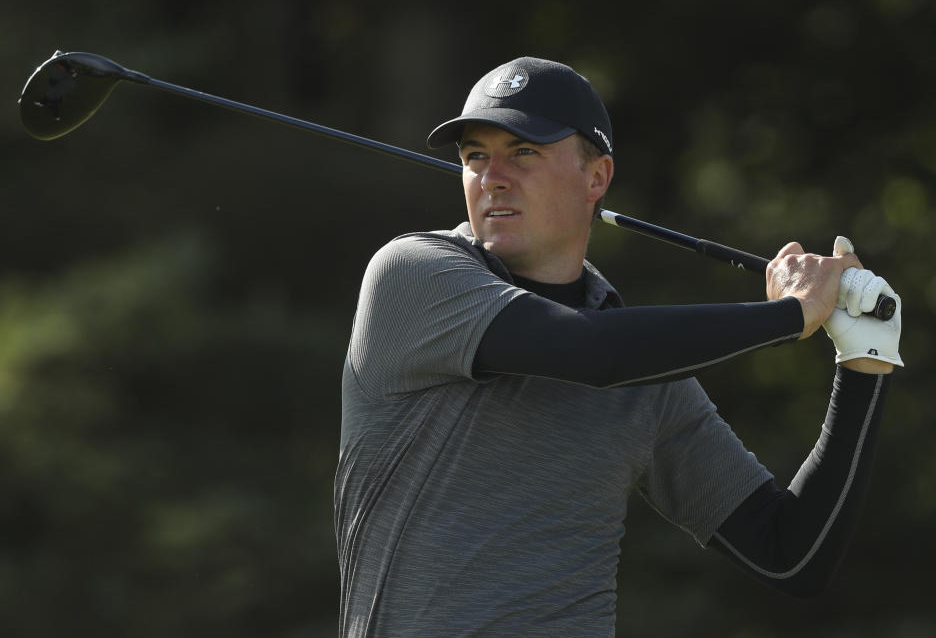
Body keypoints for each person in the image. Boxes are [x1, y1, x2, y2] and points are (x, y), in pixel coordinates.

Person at [334, 57, 904, 637]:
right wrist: (791, 314)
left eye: (524, 151)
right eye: (475, 155)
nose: (492, 176)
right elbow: (594, 354)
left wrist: (865, 364)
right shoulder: (413, 274)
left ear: (596, 178)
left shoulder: (648, 375)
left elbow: (791, 556)